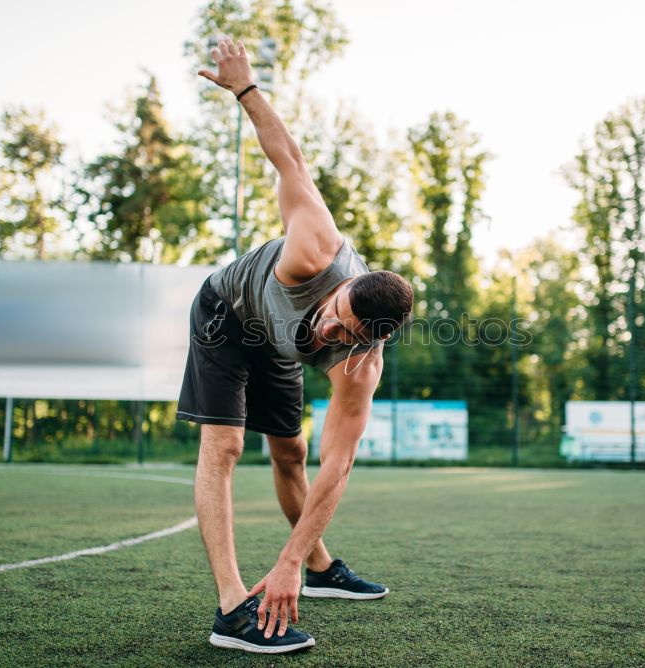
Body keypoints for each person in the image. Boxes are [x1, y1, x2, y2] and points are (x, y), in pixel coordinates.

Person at [176, 35, 414, 654]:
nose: (332, 335)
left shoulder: (361, 364)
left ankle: (319, 568)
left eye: (348, 339)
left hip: (276, 349)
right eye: (336, 319)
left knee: (294, 453)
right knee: (225, 444)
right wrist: (245, 88)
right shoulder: (316, 243)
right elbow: (290, 159)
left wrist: (287, 560)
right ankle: (232, 609)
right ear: (344, 288)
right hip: (226, 314)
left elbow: (340, 465)